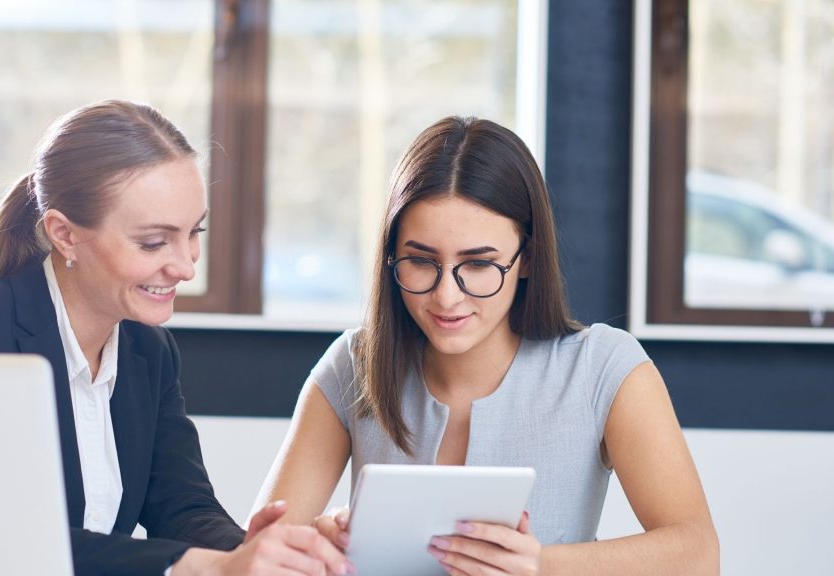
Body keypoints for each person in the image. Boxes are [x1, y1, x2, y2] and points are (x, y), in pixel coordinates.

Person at [253, 117, 719, 575]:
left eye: (478, 265)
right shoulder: (354, 365)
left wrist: (540, 566)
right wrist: (318, 544)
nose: (446, 296)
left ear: (527, 259)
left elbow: (698, 555)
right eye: (420, 260)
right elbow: (256, 554)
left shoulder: (602, 367)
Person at [0, 100, 350, 576]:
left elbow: (182, 508)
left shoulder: (147, 351)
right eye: (154, 242)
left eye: (193, 232)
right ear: (65, 235)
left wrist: (256, 550)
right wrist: (205, 567)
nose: (185, 265)